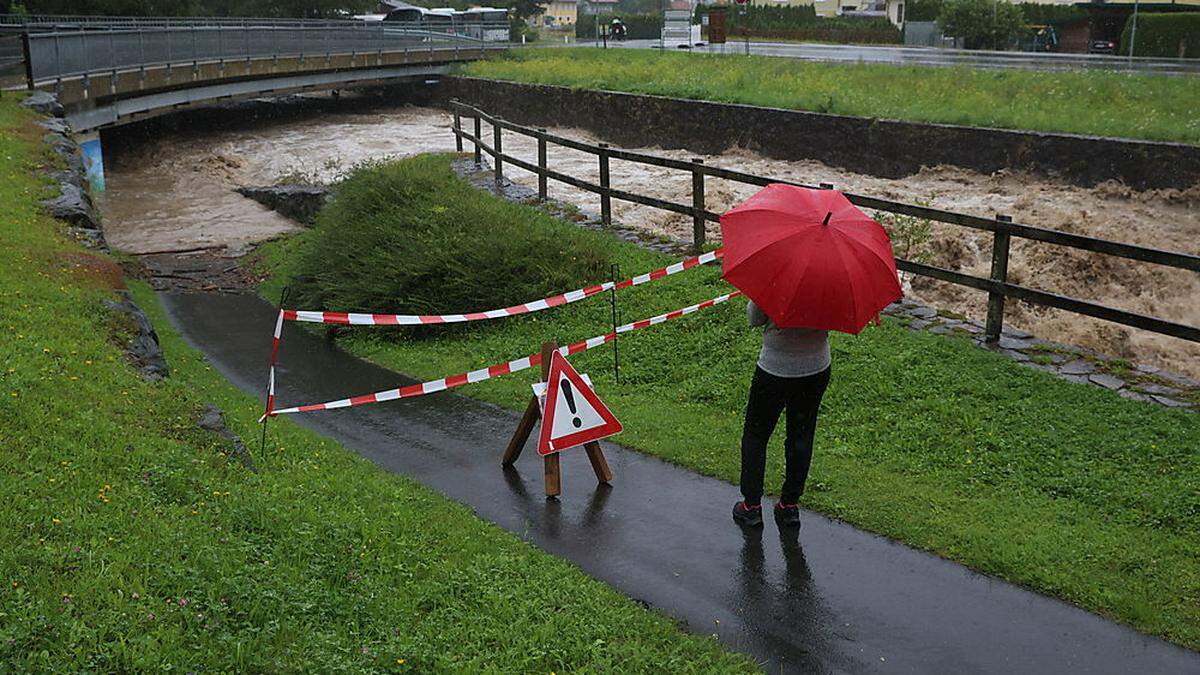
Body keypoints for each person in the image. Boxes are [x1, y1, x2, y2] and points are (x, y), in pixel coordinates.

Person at [732, 299, 831, 529]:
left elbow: (755, 318)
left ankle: (751, 507)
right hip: (816, 367)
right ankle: (789, 506)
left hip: (775, 368)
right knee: (802, 435)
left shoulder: (778, 276)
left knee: (756, 435)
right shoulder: (831, 283)